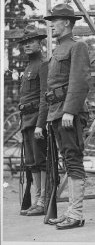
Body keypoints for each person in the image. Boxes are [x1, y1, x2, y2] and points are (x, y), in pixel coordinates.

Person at [43, 3, 90, 229]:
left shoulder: (77, 47)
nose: (51, 24)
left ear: (68, 23)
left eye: (55, 20)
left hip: (68, 113)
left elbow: (79, 81)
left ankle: (76, 213)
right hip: (56, 113)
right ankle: (71, 211)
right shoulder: (57, 50)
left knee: (73, 159)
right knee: (67, 160)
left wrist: (70, 110)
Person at [17, 25, 48, 216]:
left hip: (37, 120)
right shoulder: (29, 65)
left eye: (31, 42)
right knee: (32, 162)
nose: (27, 45)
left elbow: (45, 97)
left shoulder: (43, 64)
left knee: (41, 161)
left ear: (40, 43)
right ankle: (36, 200)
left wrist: (40, 124)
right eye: (25, 43)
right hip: (26, 120)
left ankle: (43, 201)